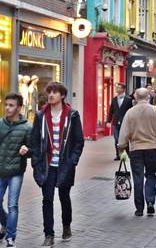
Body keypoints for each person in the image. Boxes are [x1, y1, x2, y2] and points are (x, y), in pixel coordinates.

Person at [31, 82, 84, 246]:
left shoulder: (72, 115)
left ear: (62, 95)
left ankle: (66, 225)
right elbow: (34, 140)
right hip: (47, 165)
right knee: (47, 199)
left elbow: (78, 141)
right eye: (49, 92)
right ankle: (49, 235)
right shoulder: (40, 116)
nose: (51, 95)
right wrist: (35, 162)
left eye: (54, 92)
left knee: (64, 197)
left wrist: (72, 161)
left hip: (65, 165)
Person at [118, 88, 156, 217]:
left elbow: (124, 133)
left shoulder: (130, 113)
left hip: (136, 149)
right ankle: (150, 201)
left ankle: (139, 208)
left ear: (136, 97)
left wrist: (122, 148)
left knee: (138, 177)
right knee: (151, 174)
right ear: (148, 97)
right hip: (152, 148)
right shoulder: (155, 111)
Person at [0, 94, 32, 248]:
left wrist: (27, 149)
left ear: (19, 107)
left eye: (11, 105)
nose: (7, 108)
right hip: (0, 170)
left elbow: (34, 150)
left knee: (13, 205)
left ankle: (10, 237)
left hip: (16, 172)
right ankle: (6, 225)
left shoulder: (27, 127)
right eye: (6, 104)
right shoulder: (0, 124)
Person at [106, 83, 132, 161]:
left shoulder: (128, 99)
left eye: (119, 88)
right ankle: (118, 155)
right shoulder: (114, 99)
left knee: (125, 139)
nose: (117, 89)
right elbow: (111, 111)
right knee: (116, 139)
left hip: (125, 122)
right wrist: (108, 121)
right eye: (116, 88)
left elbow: (131, 111)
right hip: (116, 122)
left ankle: (126, 154)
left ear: (123, 89)